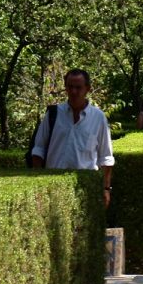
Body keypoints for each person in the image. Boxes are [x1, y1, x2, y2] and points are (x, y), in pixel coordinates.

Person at [29, 68, 115, 208]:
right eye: (70, 87)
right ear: (65, 88)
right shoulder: (53, 115)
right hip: (53, 185)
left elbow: (105, 157)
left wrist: (106, 189)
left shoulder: (98, 118)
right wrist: (37, 185)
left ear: (87, 89)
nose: (74, 91)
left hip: (85, 187)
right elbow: (38, 150)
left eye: (78, 87)